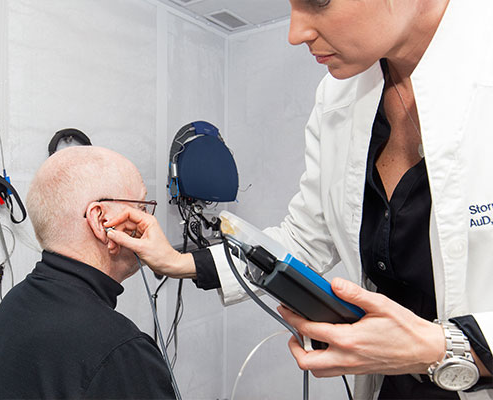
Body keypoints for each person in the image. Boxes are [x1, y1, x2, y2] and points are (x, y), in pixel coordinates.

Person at [103, 0, 493, 398]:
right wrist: (178, 262)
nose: (295, 34)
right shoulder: (338, 94)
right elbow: (304, 240)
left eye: (318, 1)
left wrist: (442, 349)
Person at [0, 146, 175, 400]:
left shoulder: (14, 305)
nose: (150, 222)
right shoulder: (120, 350)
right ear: (101, 221)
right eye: (143, 207)